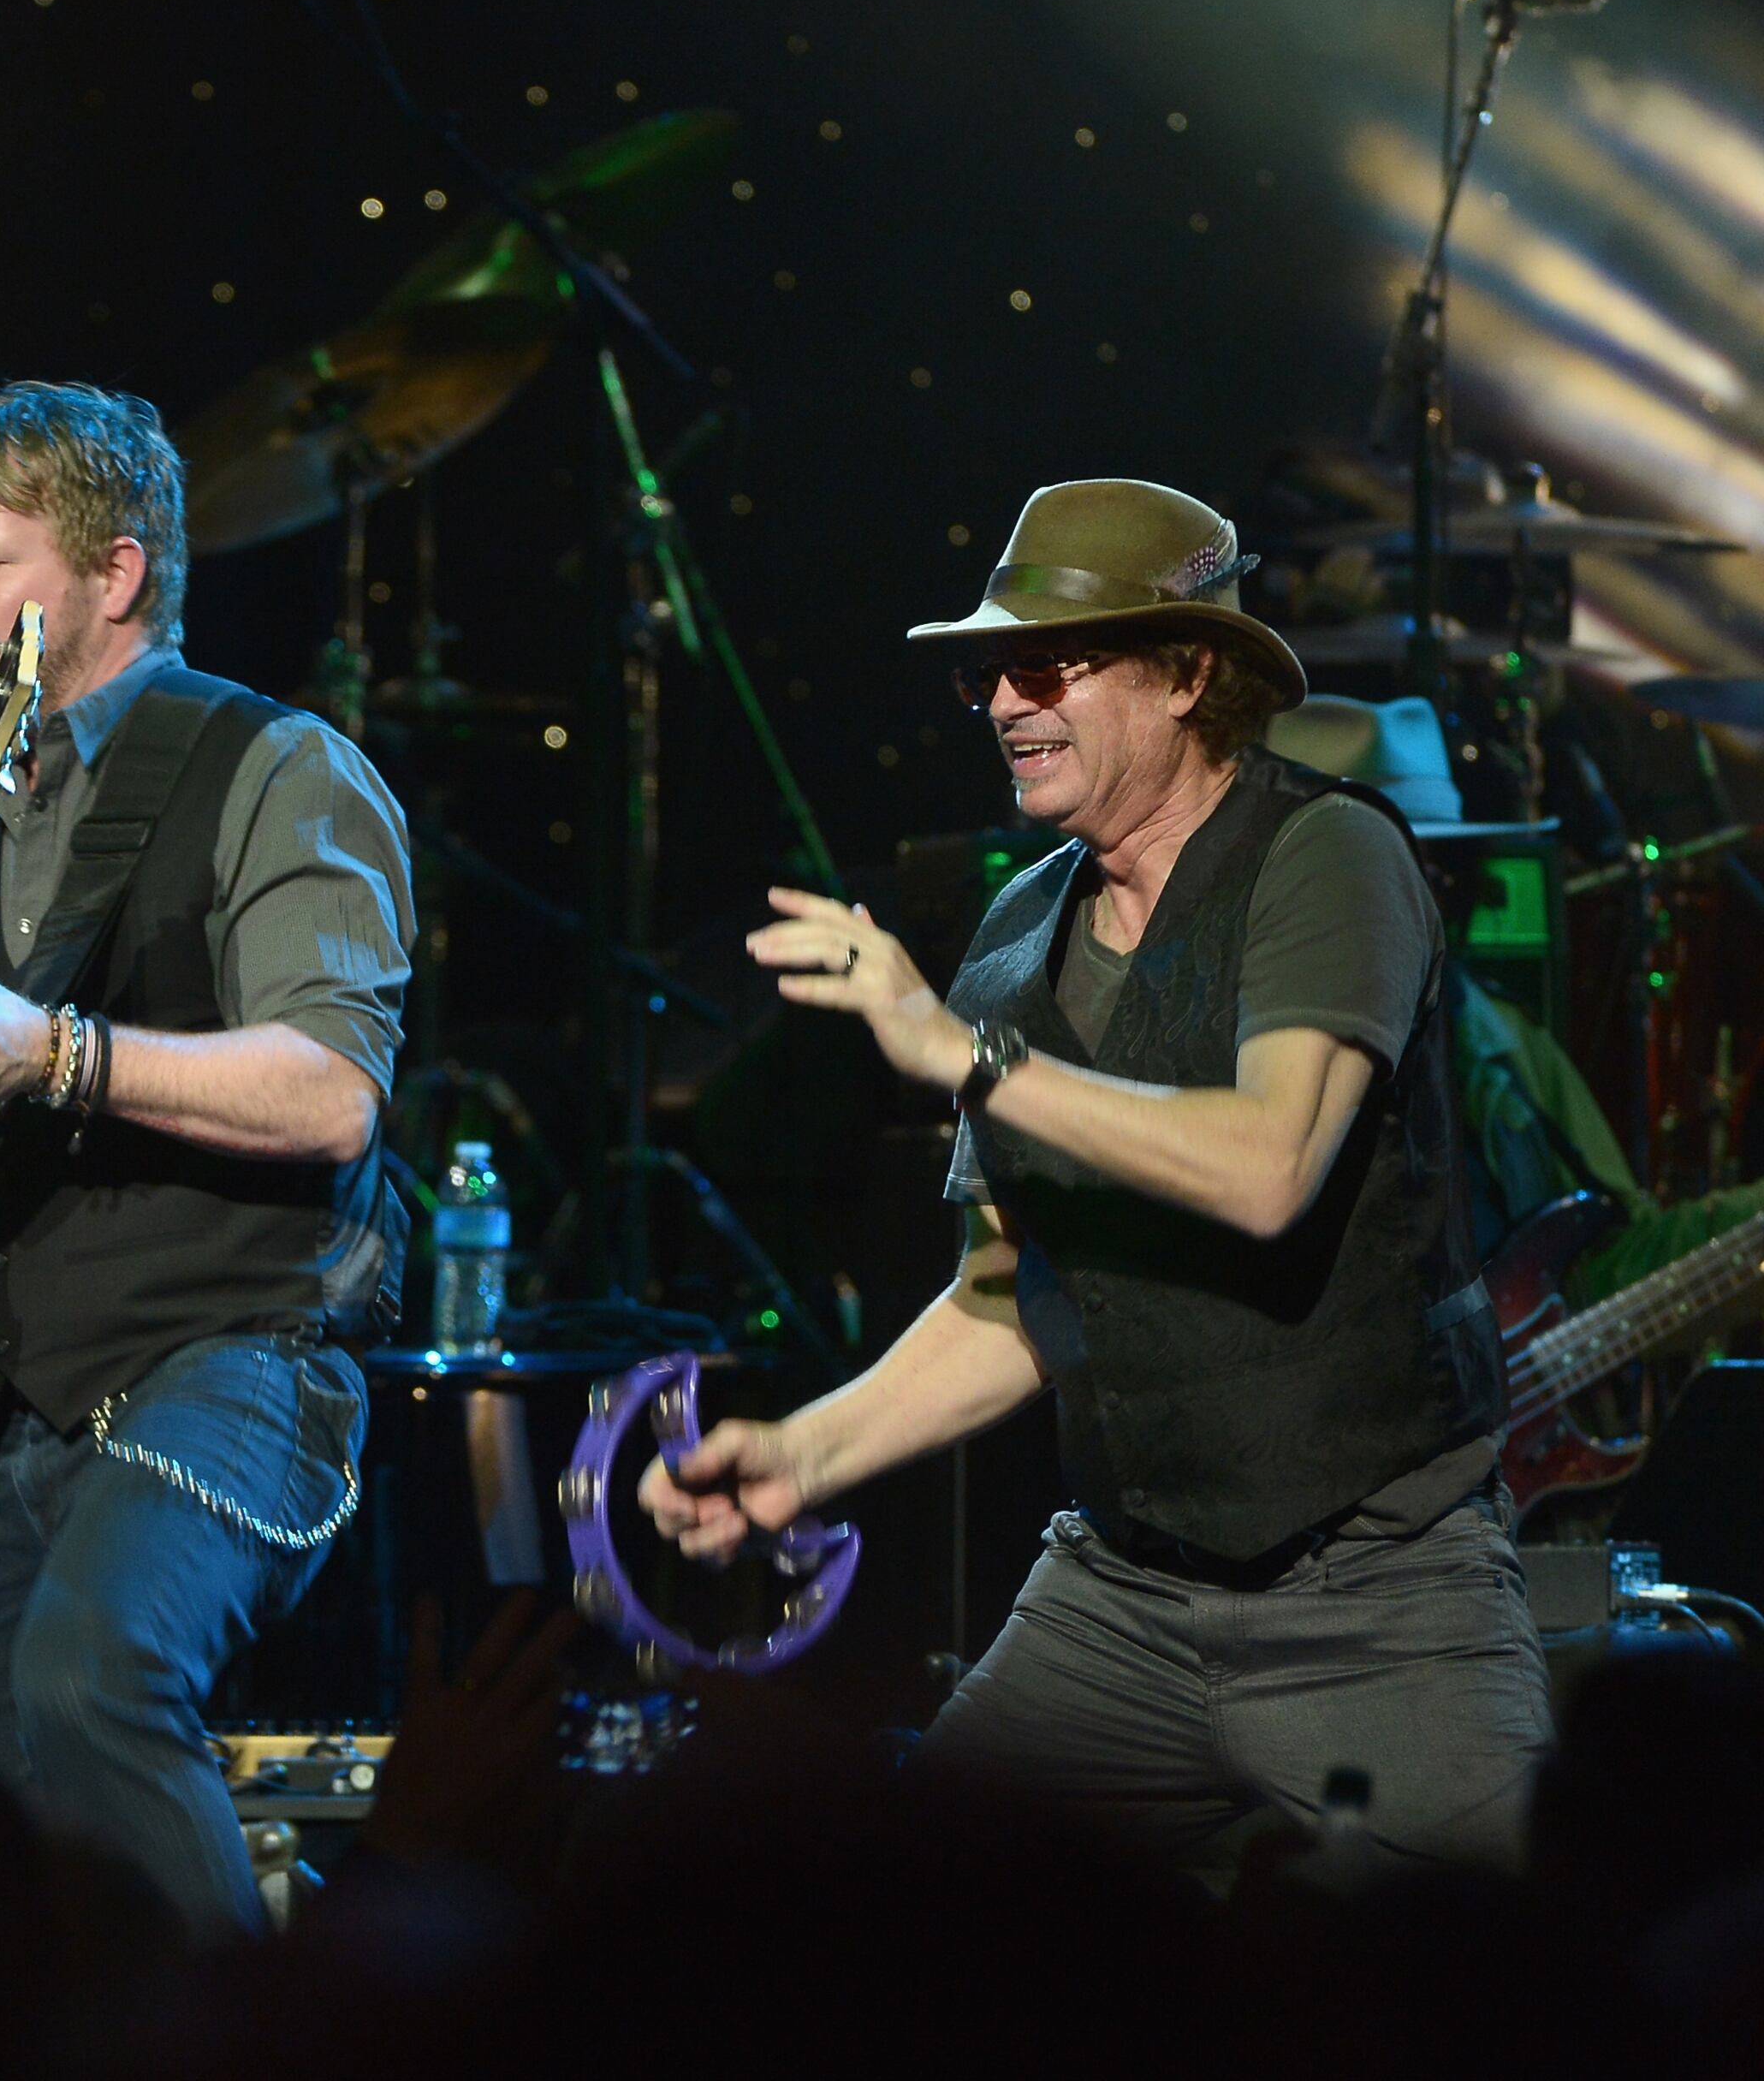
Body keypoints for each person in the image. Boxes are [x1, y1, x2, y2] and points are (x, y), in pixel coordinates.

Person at [644, 478, 1547, 1878]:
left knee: (1495, 1999)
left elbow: (1266, 1166)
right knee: (899, 1924)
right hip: (1120, 1602)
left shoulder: (1332, 857)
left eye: (1046, 663)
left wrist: (964, 1052)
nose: (1006, 702)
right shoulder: (1016, 941)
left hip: (1379, 1599)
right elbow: (1016, 1298)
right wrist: (801, 1454)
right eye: (986, 673)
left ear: (1188, 672)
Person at [0, 383, 414, 1939]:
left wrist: (59, 1051)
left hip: (242, 1351)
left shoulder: (281, 770)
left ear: (115, 573)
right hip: (19, 1376)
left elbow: (334, 1090)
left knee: (96, 1670)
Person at [1268, 692, 1764, 1533]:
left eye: (1437, 872)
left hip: (1478, 1535)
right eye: (1387, 869)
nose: (1421, 898)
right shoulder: (1231, 1046)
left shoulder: (1499, 1039)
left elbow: (1604, 1266)